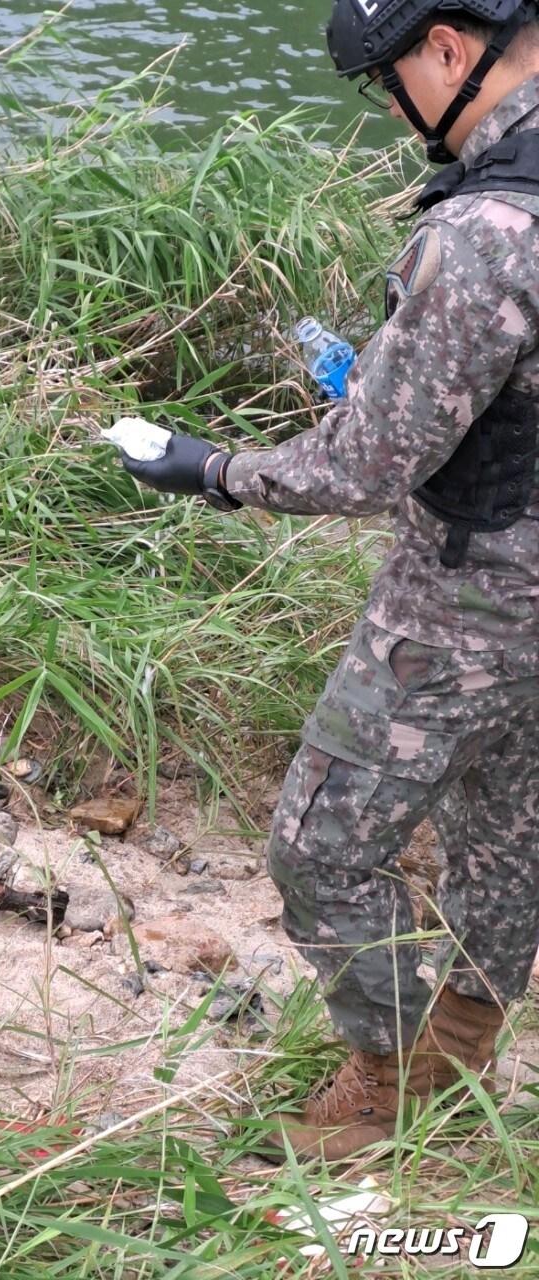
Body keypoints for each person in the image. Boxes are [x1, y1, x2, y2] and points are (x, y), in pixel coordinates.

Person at [119, 0, 539, 1162]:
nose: (394, 106)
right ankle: (464, 1044)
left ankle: (399, 1078)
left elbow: (368, 466)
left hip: (472, 599)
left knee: (319, 845)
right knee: (508, 829)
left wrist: (215, 469)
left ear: (449, 49)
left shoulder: (488, 231)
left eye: (388, 76)